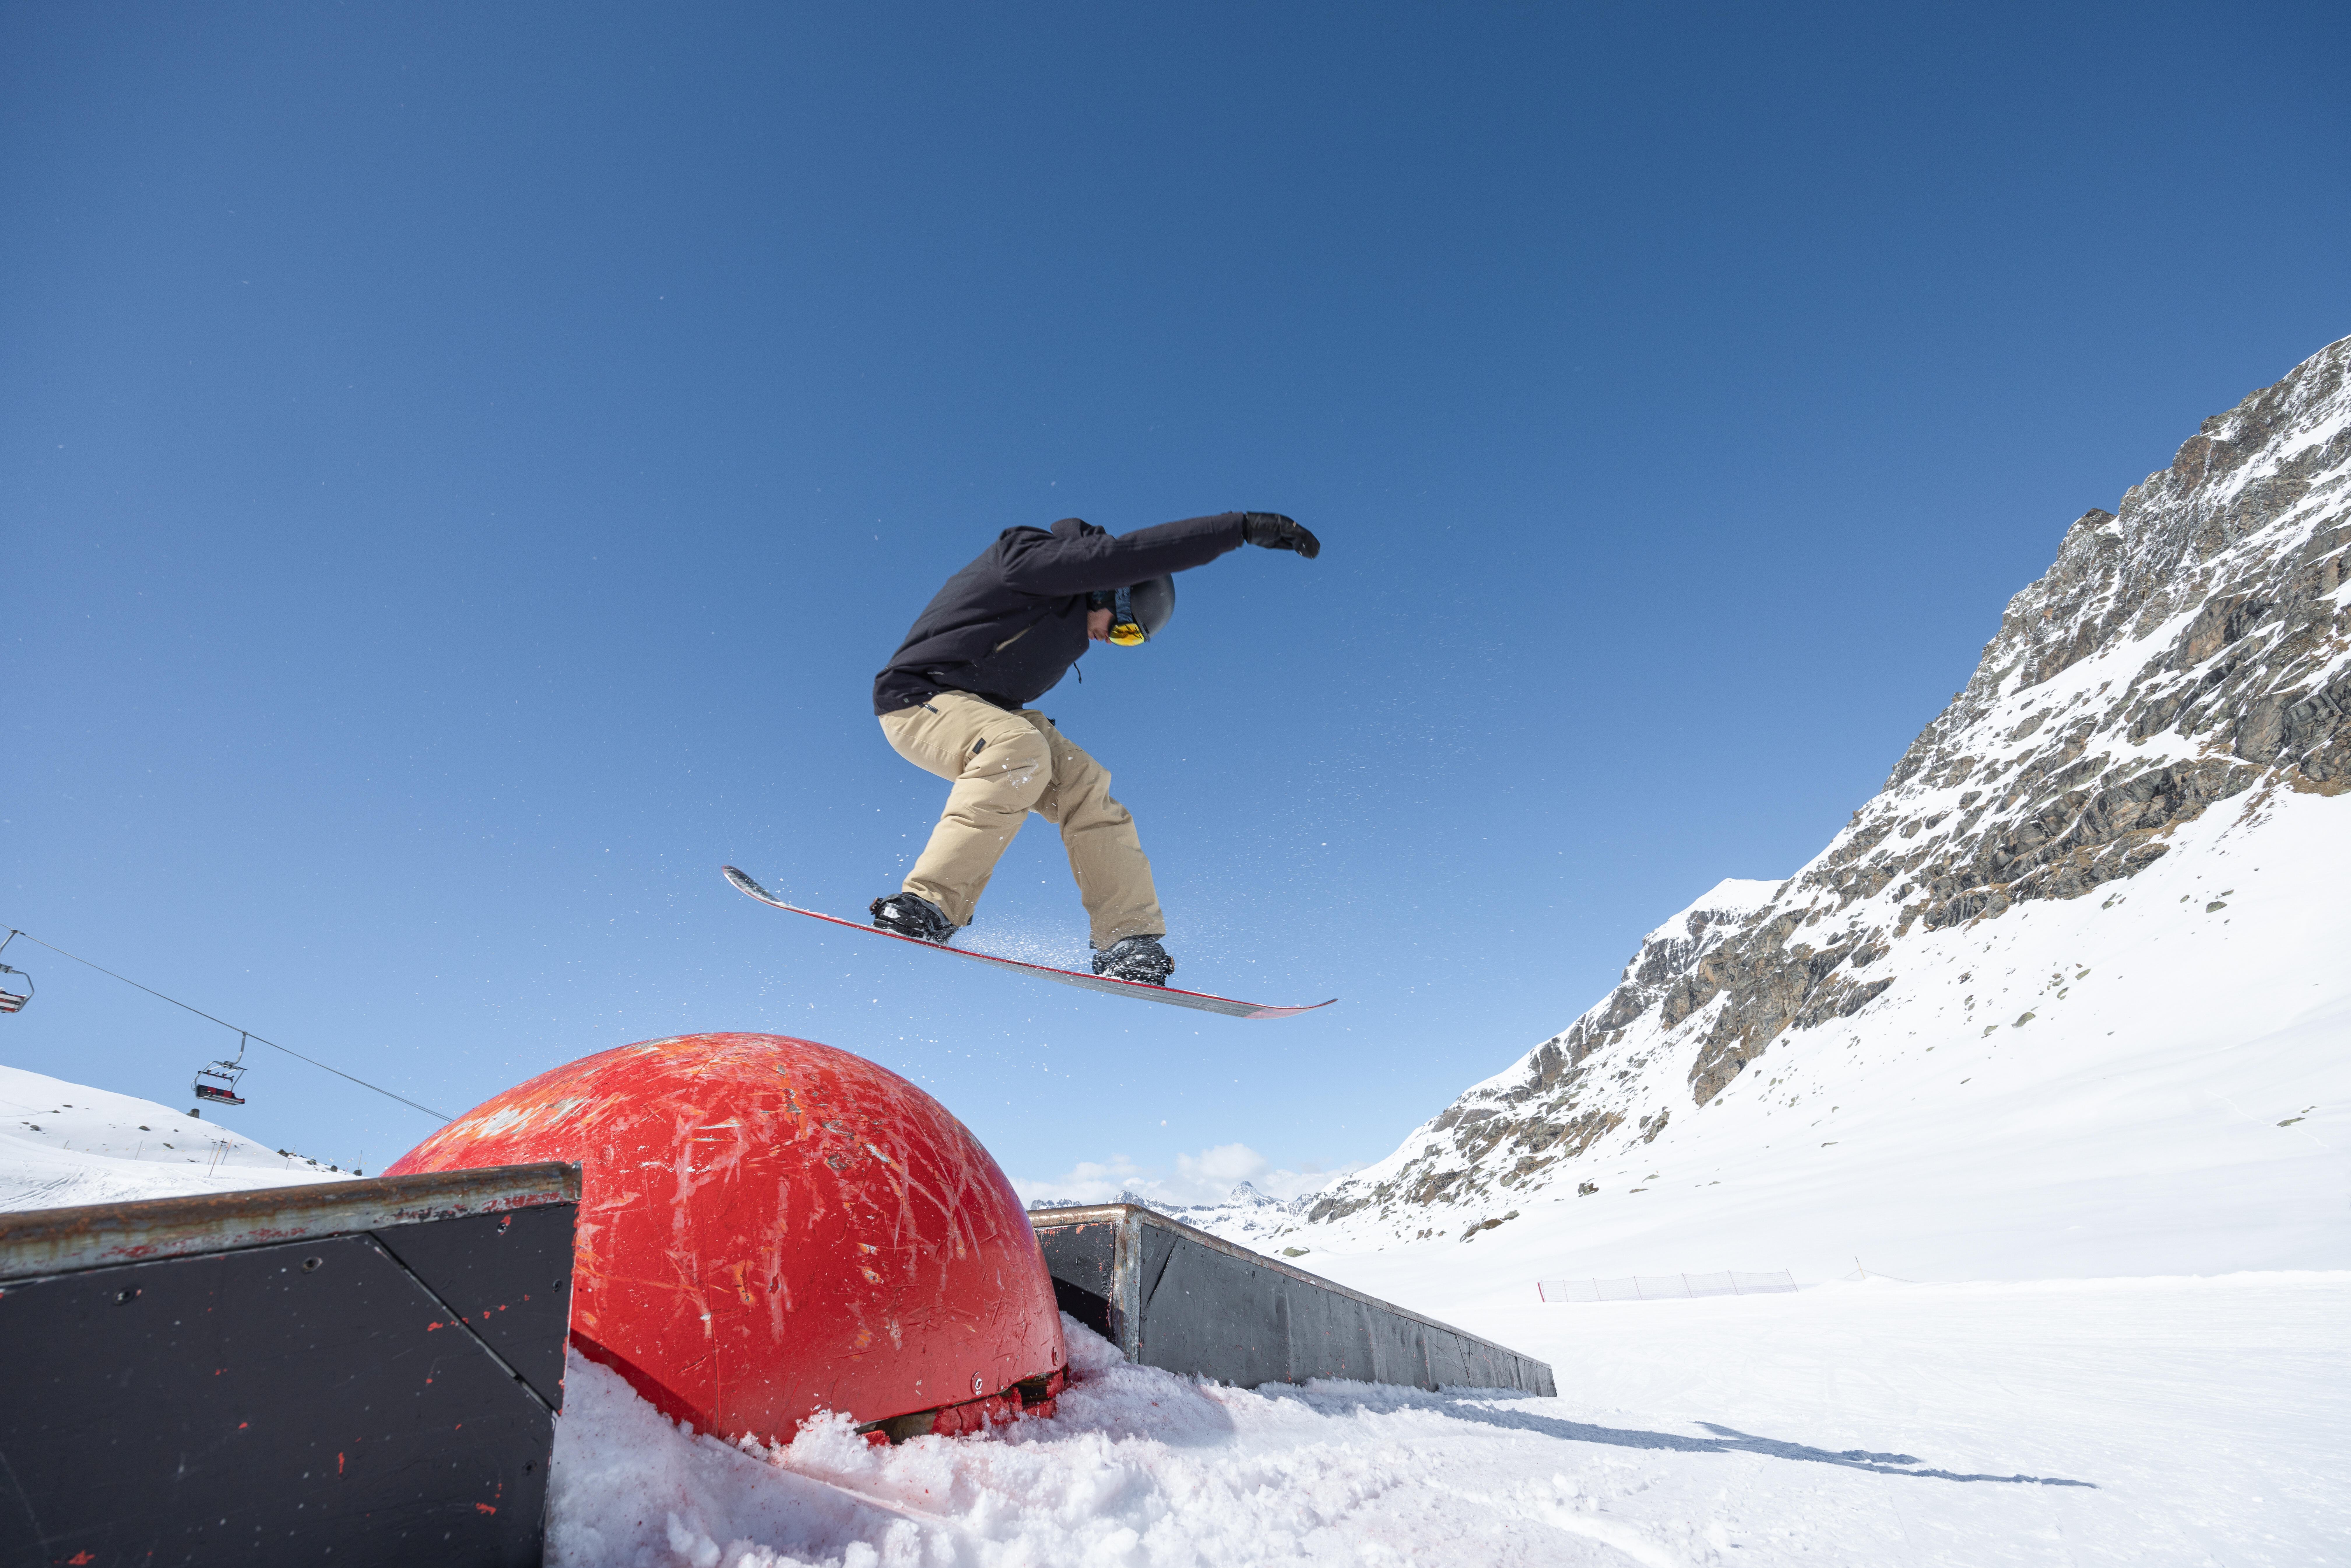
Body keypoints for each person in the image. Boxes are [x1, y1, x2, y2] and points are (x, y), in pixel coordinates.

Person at [870, 510, 1321, 984]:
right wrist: (1240, 529)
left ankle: (1127, 939)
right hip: (917, 700)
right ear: (1112, 593)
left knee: (1086, 785)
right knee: (1018, 747)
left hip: (989, 713)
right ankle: (930, 903)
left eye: (1128, 640)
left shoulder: (1069, 623)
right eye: (1124, 628)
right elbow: (1129, 557)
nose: (1110, 640)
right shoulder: (1029, 563)